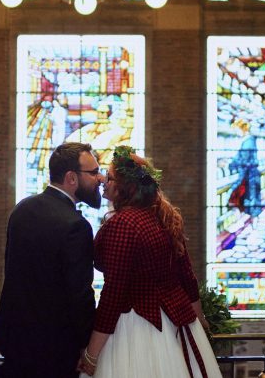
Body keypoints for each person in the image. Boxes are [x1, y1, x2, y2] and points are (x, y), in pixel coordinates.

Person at [77, 146, 221, 378]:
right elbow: (187, 275)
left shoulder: (123, 224)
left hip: (137, 325)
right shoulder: (163, 217)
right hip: (177, 322)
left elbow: (114, 292)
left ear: (125, 188)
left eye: (110, 177)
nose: (104, 180)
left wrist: (92, 355)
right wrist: (200, 321)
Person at [0, 141, 103, 378]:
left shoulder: (21, 209)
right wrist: (88, 345)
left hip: (16, 341)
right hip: (55, 349)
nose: (100, 178)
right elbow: (79, 292)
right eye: (93, 172)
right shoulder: (75, 225)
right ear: (72, 178)